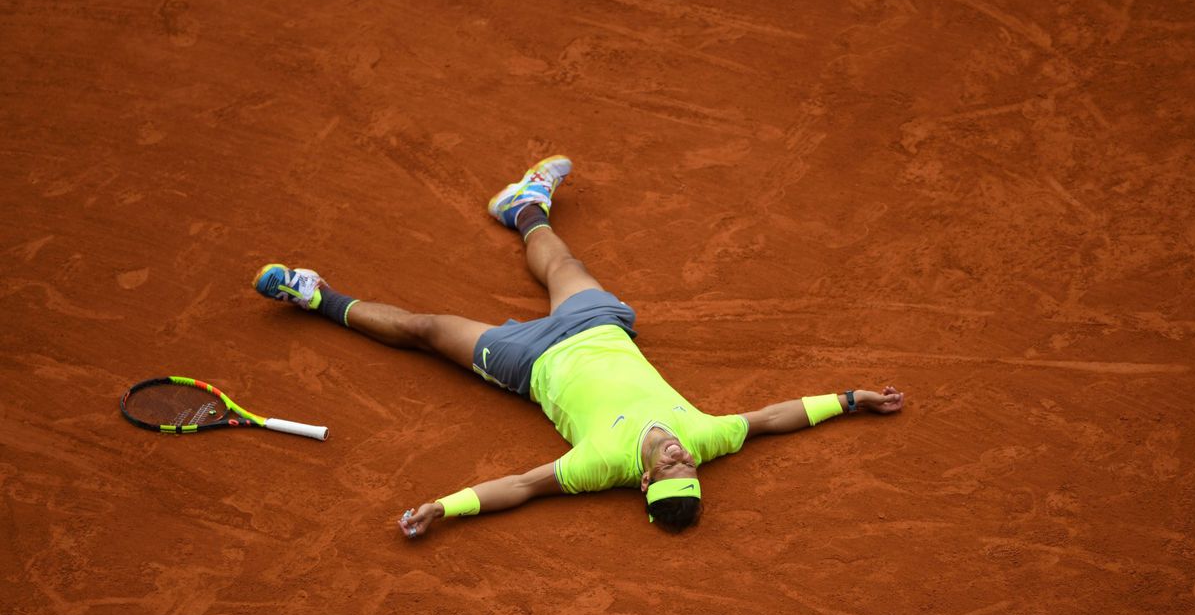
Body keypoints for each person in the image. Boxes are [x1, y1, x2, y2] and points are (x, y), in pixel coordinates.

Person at [253, 156, 905, 539]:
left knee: (428, 329)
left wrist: (445, 508)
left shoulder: (600, 467)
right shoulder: (707, 437)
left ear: (645, 480)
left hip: (527, 361)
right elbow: (771, 418)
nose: (683, 458)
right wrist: (851, 399)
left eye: (673, 469)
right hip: (597, 326)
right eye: (689, 467)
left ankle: (316, 297)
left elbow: (521, 486)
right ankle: (525, 206)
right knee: (560, 260)